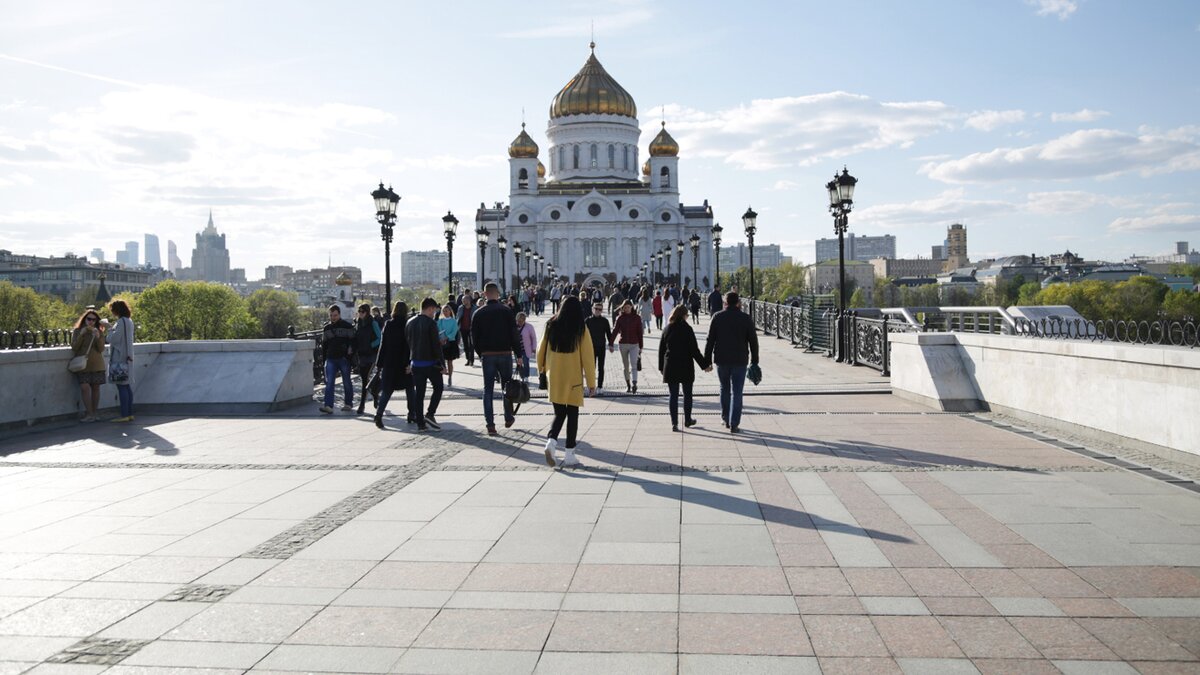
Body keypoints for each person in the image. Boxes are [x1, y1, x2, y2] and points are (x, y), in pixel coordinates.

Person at [537, 296, 596, 467]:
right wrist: (592, 382)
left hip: (554, 375)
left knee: (559, 412)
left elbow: (541, 348)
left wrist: (541, 368)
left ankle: (551, 442)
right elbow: (588, 357)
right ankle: (570, 454)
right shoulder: (581, 328)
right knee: (573, 414)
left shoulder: (551, 324)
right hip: (573, 377)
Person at [704, 291, 759, 433]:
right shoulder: (746, 318)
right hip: (740, 360)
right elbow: (753, 341)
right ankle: (734, 423)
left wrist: (707, 359)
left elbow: (710, 340)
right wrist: (755, 360)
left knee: (724, 388)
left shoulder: (717, 317)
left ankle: (725, 418)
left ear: (725, 303)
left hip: (722, 359)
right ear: (738, 303)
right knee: (737, 391)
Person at [472, 282, 522, 435]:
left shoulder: (479, 313)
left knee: (488, 390)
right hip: (505, 354)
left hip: (488, 355)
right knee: (507, 387)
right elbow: (515, 335)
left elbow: (474, 338)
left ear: (484, 294)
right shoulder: (506, 311)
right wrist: (518, 354)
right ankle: (508, 417)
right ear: (498, 294)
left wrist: (481, 354)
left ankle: (490, 425)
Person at [660, 305, 711, 432]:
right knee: (687, 394)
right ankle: (687, 419)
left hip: (670, 365)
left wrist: (661, 367)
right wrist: (705, 365)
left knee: (673, 395)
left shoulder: (667, 329)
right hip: (685, 365)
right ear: (683, 316)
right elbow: (694, 350)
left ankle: (674, 423)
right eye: (687, 315)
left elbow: (661, 351)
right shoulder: (687, 329)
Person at [407, 297, 445, 432]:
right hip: (431, 363)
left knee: (419, 394)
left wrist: (408, 362)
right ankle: (430, 413)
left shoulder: (410, 322)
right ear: (430, 309)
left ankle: (420, 424)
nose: (434, 313)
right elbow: (436, 346)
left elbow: (407, 344)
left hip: (416, 363)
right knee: (439, 387)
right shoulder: (431, 323)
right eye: (434, 310)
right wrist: (442, 364)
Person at [373, 301, 412, 429]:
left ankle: (379, 414)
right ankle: (412, 414)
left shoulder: (388, 324)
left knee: (387, 391)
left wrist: (379, 364)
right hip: (404, 362)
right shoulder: (407, 324)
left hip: (389, 363)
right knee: (410, 389)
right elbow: (409, 346)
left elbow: (382, 345)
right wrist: (410, 362)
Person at [70, 309, 107, 422]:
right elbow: (74, 347)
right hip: (83, 364)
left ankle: (94, 413)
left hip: (97, 364)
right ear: (84, 319)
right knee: (84, 387)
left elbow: (101, 349)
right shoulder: (78, 331)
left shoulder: (98, 332)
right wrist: (81, 335)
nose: (91, 322)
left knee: (96, 388)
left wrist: (98, 337)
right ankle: (89, 413)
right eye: (89, 319)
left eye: (93, 320)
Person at [319, 304, 355, 414]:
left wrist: (349, 354)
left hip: (343, 358)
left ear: (339, 314)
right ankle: (328, 406)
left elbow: (353, 341)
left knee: (346, 381)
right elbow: (324, 345)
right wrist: (324, 360)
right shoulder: (327, 328)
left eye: (335, 315)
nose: (333, 317)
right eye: (331, 315)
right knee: (329, 383)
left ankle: (348, 403)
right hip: (330, 358)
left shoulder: (348, 326)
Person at [107, 300, 136, 422]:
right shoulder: (129, 321)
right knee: (127, 386)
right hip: (128, 357)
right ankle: (129, 413)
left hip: (120, 358)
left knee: (122, 386)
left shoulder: (121, 322)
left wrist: (108, 328)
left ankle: (124, 415)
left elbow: (113, 339)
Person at [608, 299, 644, 393]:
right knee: (625, 366)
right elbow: (615, 331)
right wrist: (611, 343)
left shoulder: (637, 318)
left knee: (634, 364)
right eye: (625, 308)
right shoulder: (620, 318)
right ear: (623, 308)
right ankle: (628, 385)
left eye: (628, 307)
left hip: (634, 344)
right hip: (623, 344)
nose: (627, 309)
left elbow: (640, 332)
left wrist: (641, 346)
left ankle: (634, 384)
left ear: (632, 307)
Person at [353, 304, 382, 415]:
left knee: (365, 379)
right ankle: (375, 395)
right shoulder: (358, 324)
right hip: (362, 355)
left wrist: (371, 345)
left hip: (371, 355)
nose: (360, 313)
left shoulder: (373, 323)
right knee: (365, 379)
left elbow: (380, 337)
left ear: (367, 312)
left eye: (362, 311)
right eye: (359, 311)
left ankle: (362, 405)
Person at [584, 302, 612, 393]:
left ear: (602, 311)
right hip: (590, 348)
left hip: (601, 347)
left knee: (601, 367)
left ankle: (600, 386)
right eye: (596, 309)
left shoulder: (604, 321)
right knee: (591, 368)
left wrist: (610, 344)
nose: (597, 311)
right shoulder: (588, 321)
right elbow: (582, 334)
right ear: (592, 309)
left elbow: (608, 334)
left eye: (600, 309)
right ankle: (590, 386)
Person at [438, 304, 460, 387]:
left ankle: (450, 376)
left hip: (450, 342)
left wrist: (446, 337)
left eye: (446, 311)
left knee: (450, 361)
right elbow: (438, 330)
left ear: (450, 311)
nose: (445, 312)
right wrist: (441, 338)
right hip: (441, 342)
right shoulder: (440, 321)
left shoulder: (454, 321)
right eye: (443, 311)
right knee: (440, 361)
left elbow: (454, 332)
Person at [516, 311, 537, 380]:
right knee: (519, 363)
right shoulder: (514, 326)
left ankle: (526, 376)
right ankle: (521, 375)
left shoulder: (529, 327)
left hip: (526, 348)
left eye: (522, 320)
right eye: (519, 320)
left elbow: (533, 338)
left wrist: (534, 348)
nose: (520, 322)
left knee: (526, 362)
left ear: (524, 320)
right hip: (517, 348)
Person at [457, 296, 475, 367]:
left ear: (469, 300)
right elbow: (458, 317)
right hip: (463, 328)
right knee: (465, 345)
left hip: (471, 329)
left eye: (465, 300)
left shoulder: (474, 308)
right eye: (463, 300)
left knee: (471, 345)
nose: (464, 302)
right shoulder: (461, 308)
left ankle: (472, 360)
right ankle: (468, 359)